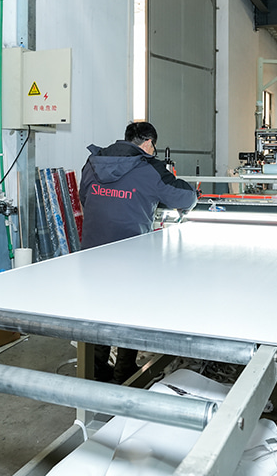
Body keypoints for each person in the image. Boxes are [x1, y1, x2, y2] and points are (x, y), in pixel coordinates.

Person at [79, 121, 198, 383]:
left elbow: (84, 197)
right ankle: (124, 371)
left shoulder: (93, 163)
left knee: (98, 311)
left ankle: (97, 371)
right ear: (148, 143)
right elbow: (184, 198)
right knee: (129, 311)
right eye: (153, 147)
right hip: (131, 258)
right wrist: (192, 194)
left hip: (92, 254)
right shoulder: (148, 168)